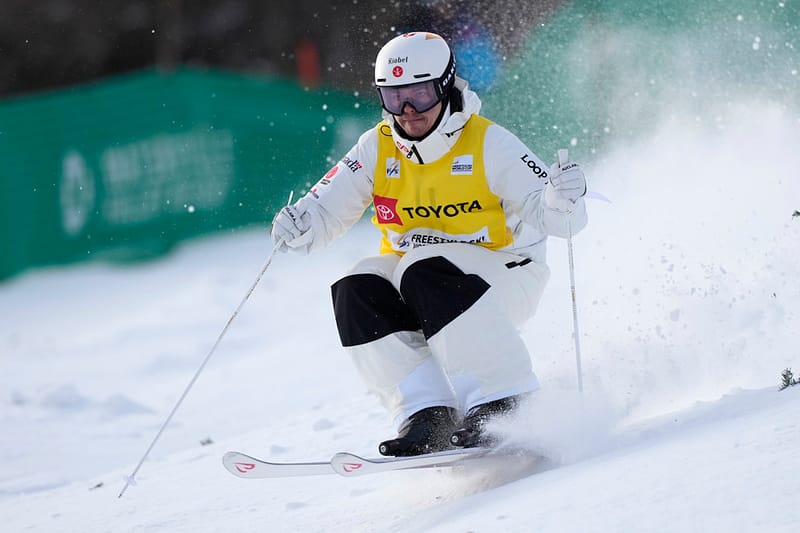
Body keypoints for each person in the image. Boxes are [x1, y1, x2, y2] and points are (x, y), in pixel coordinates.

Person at [271, 32, 588, 457]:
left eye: (419, 95)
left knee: (425, 267)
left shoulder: (487, 142)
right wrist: (300, 226)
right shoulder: (377, 147)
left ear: (444, 86)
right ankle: (428, 413)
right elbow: (323, 214)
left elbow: (559, 219)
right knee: (356, 287)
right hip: (422, 282)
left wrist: (565, 197)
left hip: (506, 275)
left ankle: (505, 398)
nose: (407, 111)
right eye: (393, 96)